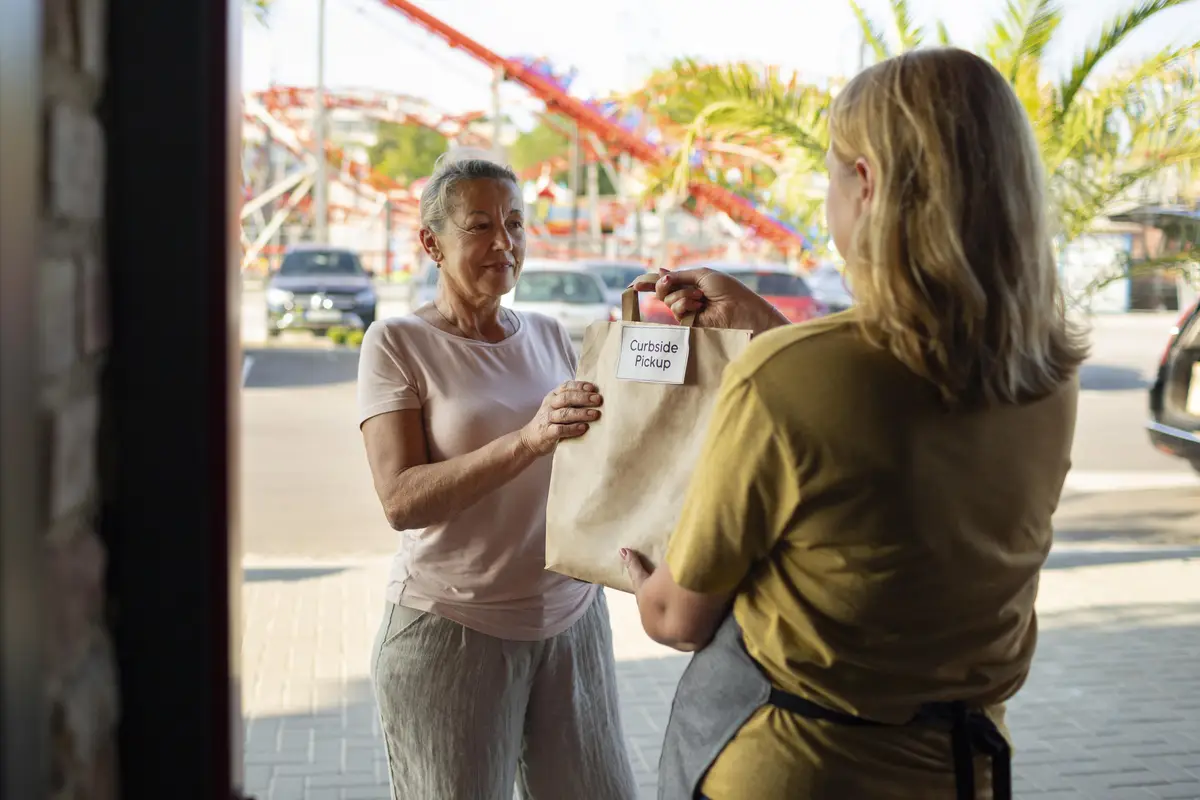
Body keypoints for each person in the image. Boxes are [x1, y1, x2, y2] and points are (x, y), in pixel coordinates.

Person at [620, 48, 1087, 800]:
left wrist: (643, 581)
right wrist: (773, 331)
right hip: (960, 771)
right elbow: (898, 420)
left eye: (832, 173)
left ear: (865, 183)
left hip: (796, 770)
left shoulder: (784, 378)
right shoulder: (1048, 374)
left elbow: (678, 616)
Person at [357, 156, 637, 800]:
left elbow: (594, 457)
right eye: (480, 225)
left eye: (514, 223)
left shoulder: (545, 332)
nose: (504, 243)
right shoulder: (396, 342)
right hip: (454, 629)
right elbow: (400, 500)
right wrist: (526, 440)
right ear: (432, 242)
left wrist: (661, 344)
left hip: (572, 619)